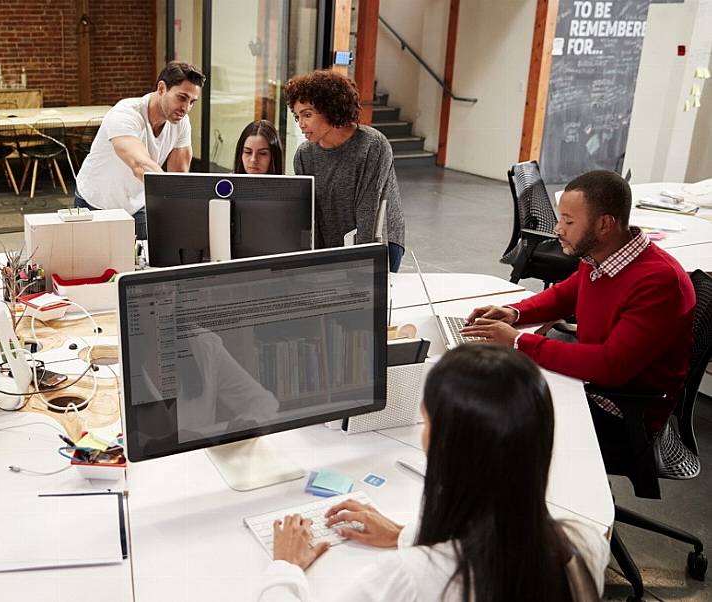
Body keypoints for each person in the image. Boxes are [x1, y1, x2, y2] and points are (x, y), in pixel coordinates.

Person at [259, 345, 610, 601]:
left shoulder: (410, 580)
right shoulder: (585, 543)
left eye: (426, 422)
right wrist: (403, 534)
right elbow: (496, 548)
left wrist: (285, 569)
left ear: (448, 446)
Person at [461, 170, 695, 467]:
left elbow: (611, 366)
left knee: (489, 415)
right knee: (490, 390)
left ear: (604, 224)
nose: (558, 228)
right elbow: (564, 296)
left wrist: (519, 341)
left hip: (622, 412)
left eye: (569, 222)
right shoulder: (602, 255)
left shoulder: (659, 282)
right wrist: (514, 312)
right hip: (595, 386)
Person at [283, 70, 406, 271]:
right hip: (333, 239)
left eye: (307, 114)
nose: (302, 124)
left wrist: (363, 265)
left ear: (330, 109)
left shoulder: (372, 145)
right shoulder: (304, 155)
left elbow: (368, 211)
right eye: (297, 117)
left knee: (370, 300)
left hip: (380, 240)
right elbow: (311, 214)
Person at [73, 61, 203, 239]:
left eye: (192, 102)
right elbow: (140, 164)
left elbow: (179, 173)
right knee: (96, 265)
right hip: (96, 202)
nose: (186, 108)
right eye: (181, 98)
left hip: (136, 204)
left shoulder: (181, 122)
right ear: (162, 88)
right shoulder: (125, 114)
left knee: (144, 261)